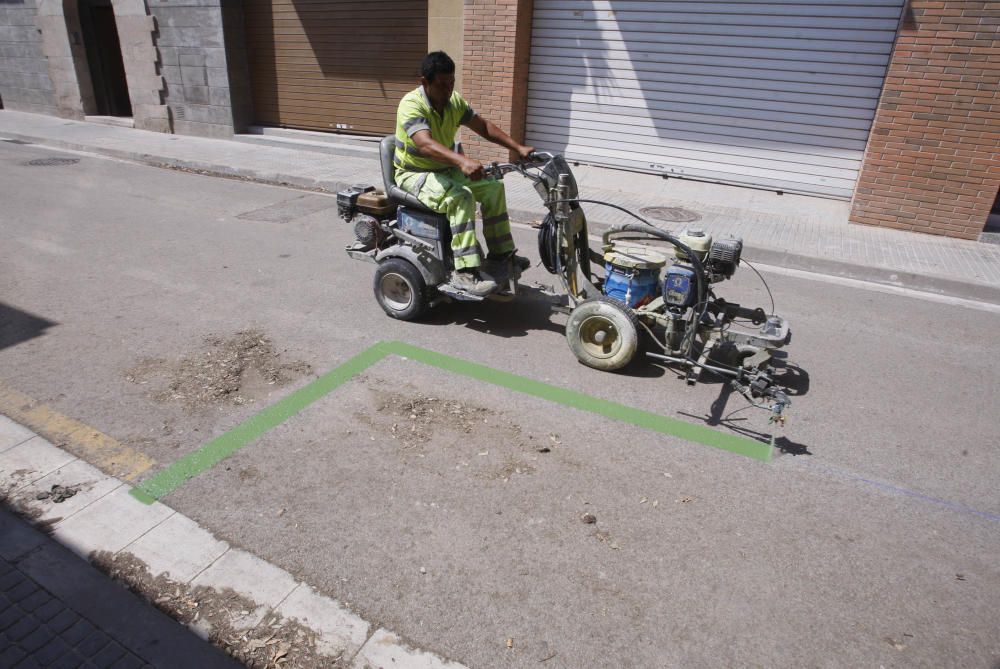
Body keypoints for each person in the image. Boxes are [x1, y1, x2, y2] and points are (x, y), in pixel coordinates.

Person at [394, 51, 534, 296]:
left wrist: (517, 147)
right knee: (461, 197)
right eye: (442, 85)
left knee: (493, 188)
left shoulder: (453, 102)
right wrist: (462, 161)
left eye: (452, 83)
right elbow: (425, 144)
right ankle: (464, 272)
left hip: (443, 169)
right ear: (424, 82)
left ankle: (501, 254)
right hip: (413, 174)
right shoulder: (411, 104)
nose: (448, 90)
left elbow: (484, 127)